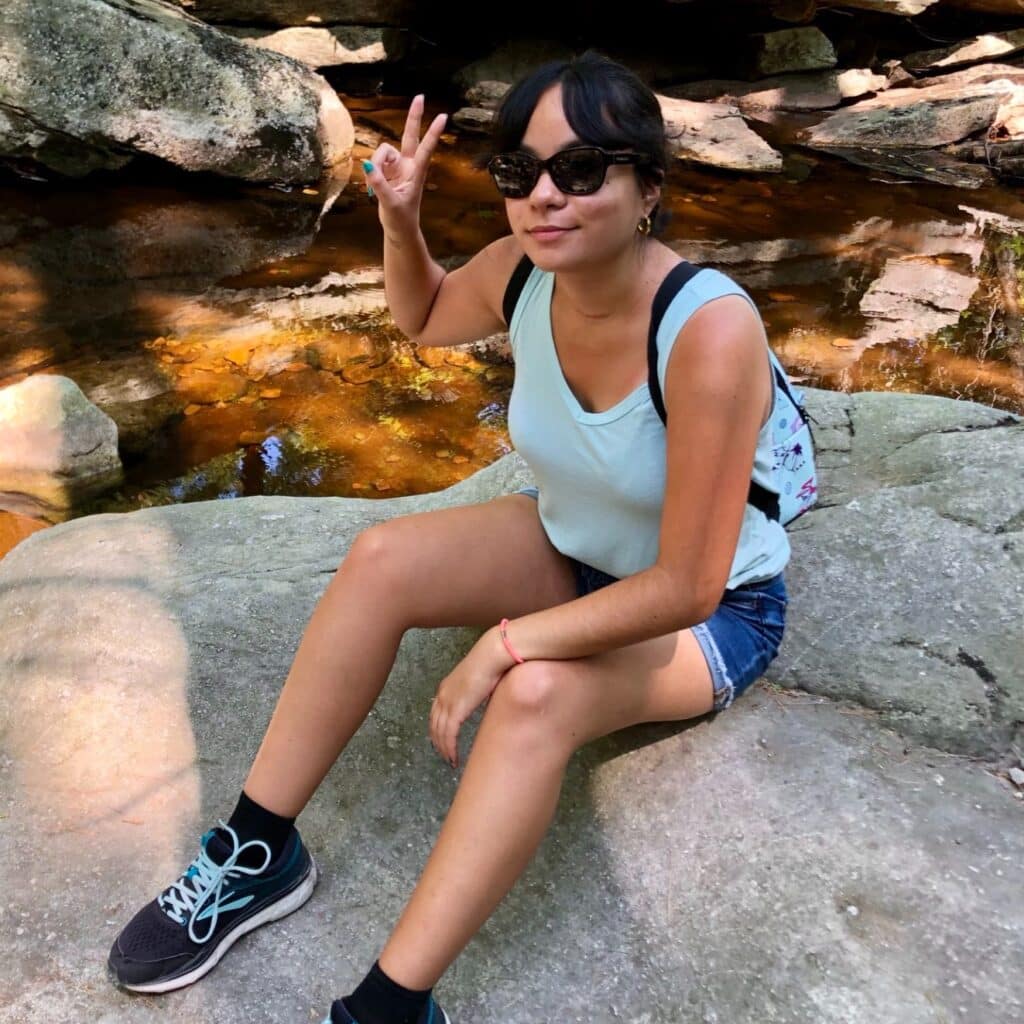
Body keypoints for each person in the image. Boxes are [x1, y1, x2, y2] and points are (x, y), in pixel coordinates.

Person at [108, 49, 790, 1024]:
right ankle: (256, 852)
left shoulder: (709, 330)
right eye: (520, 174)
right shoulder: (523, 272)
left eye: (581, 170)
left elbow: (688, 583)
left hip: (709, 612)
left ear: (648, 187)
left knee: (532, 696)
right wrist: (399, 219)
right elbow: (424, 315)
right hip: (572, 546)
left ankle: (391, 1005)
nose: (544, 197)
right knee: (381, 557)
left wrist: (508, 643)